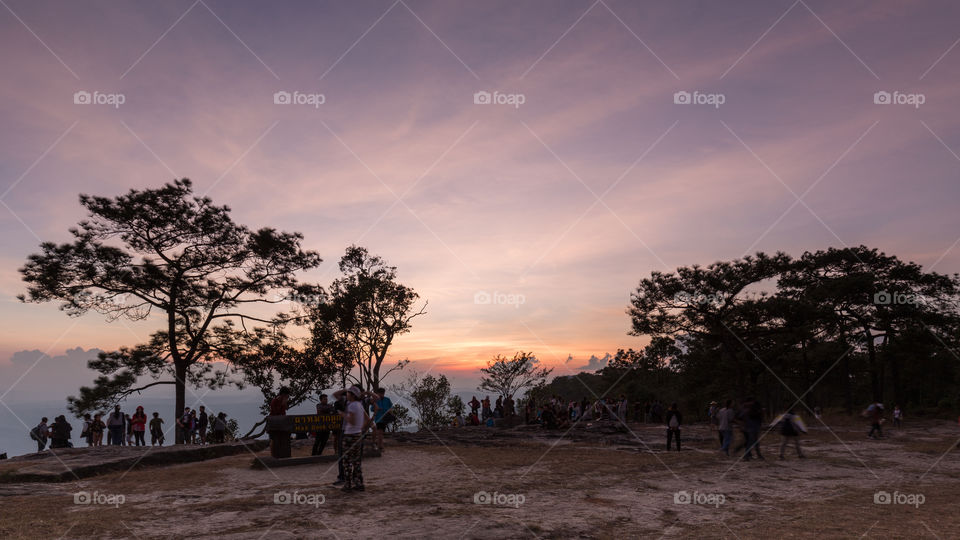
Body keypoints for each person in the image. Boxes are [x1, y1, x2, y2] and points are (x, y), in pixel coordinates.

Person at [334, 385, 376, 492]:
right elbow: (367, 419)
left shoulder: (352, 406)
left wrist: (342, 414)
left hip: (349, 435)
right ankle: (359, 483)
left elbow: (351, 421)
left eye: (348, 393)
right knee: (356, 461)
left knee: (347, 461)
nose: (347, 395)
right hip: (358, 435)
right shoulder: (359, 405)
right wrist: (360, 428)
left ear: (352, 395)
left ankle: (348, 485)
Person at [268, 387, 291, 455]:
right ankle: (274, 455)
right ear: (283, 394)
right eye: (287, 395)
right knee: (274, 440)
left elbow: (286, 408)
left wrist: (285, 403)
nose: (287, 397)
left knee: (283, 439)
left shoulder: (284, 401)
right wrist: (282, 404)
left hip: (282, 423)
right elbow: (276, 412)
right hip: (274, 423)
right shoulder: (274, 401)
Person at [372, 388, 393, 453]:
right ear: (377, 393)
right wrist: (378, 409)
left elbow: (391, 407)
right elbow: (372, 409)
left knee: (381, 433)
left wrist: (389, 411)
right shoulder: (375, 400)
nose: (381, 394)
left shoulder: (387, 399)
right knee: (380, 433)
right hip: (378, 418)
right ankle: (380, 447)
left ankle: (380, 446)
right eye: (380, 393)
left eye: (382, 393)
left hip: (385, 419)